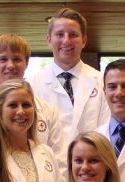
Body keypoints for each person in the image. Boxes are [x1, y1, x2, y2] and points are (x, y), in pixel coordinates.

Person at [0, 33, 64, 155]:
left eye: (17, 59)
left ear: (26, 63)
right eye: (3, 59)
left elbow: (59, 161)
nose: (10, 65)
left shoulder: (47, 111)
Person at [30, 7, 109, 151]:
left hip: (91, 165)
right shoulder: (33, 85)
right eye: (60, 34)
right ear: (49, 40)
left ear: (84, 40)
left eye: (73, 34)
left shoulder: (102, 81)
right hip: (48, 168)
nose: (66, 41)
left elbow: (107, 130)